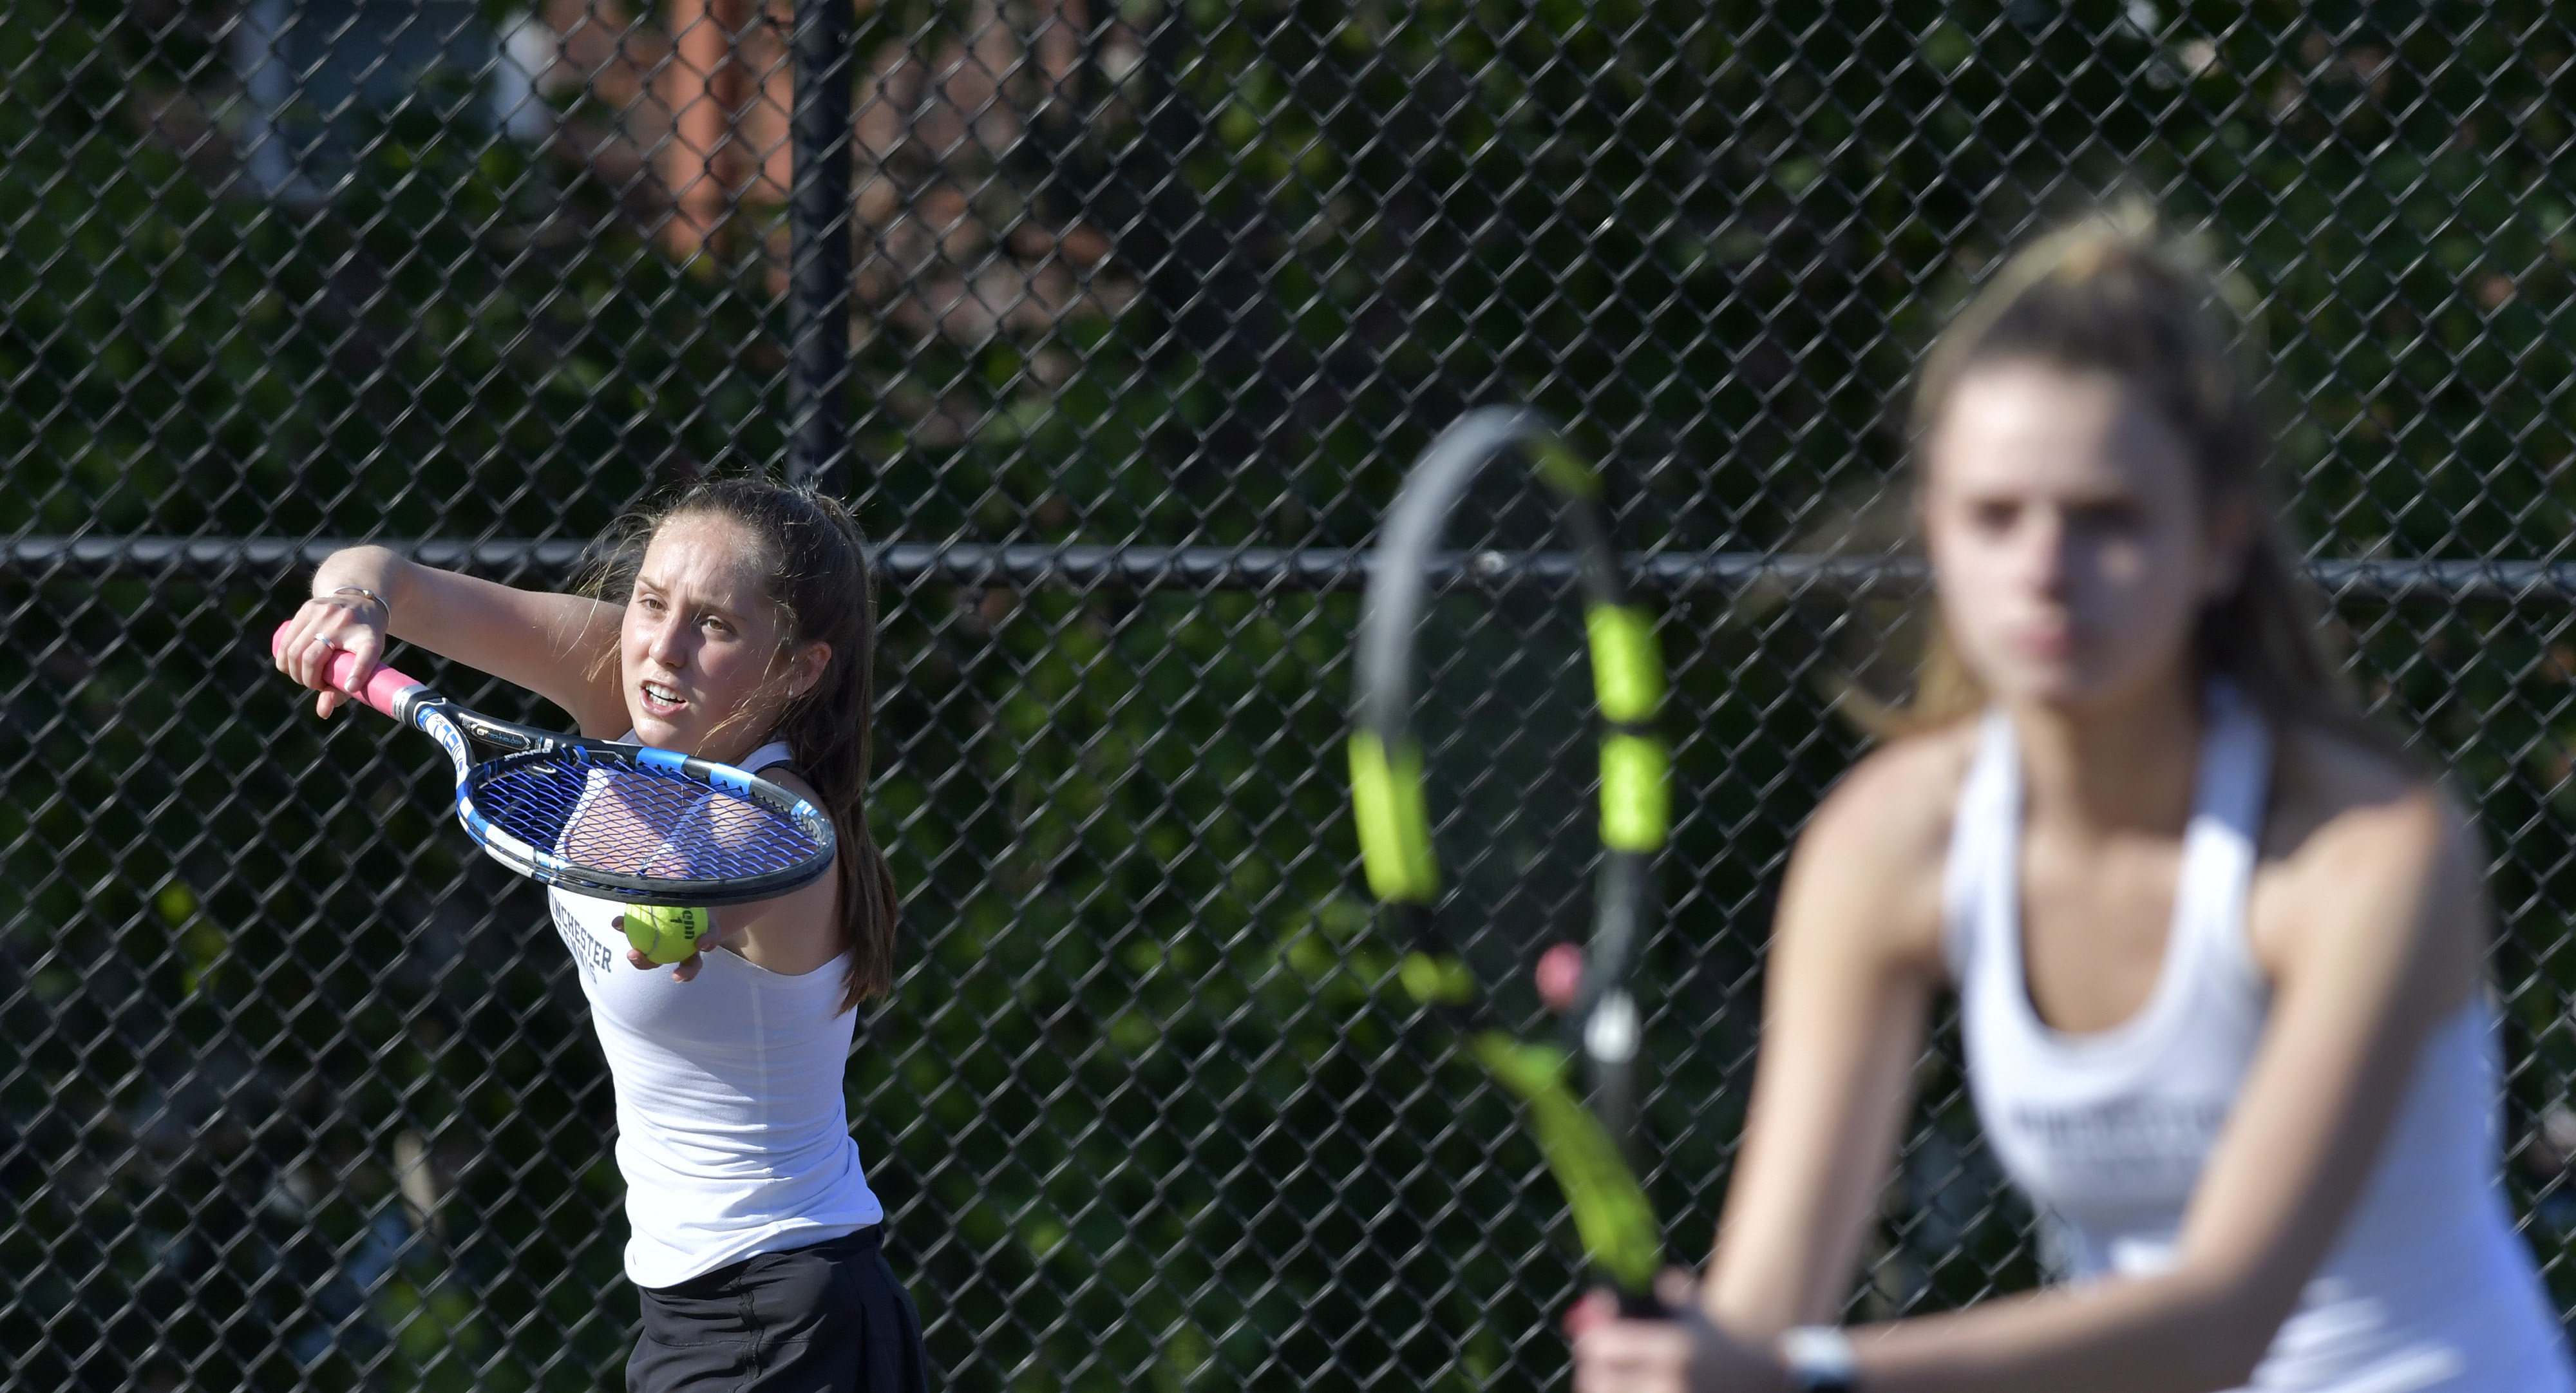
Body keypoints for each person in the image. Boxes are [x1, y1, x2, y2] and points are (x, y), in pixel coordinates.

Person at [1569, 211, 2575, 1392]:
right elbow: (1764, 1304)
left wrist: (1803, 1377)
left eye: (2108, 520)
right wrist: (1699, 1369)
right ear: (1935, 534)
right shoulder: (1887, 841)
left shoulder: (2367, 850)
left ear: (2219, 541)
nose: (2044, 568)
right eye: (1995, 517)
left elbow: (2221, 1320)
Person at [274, 477, 930, 1393]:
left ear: (799, 667)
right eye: (652, 601)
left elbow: (695, 903)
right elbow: (388, 572)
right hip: (710, 1305)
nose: (665, 645)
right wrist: (350, 608)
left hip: (781, 1316)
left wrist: (680, 922)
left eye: (717, 627)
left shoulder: (775, 831)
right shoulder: (627, 676)